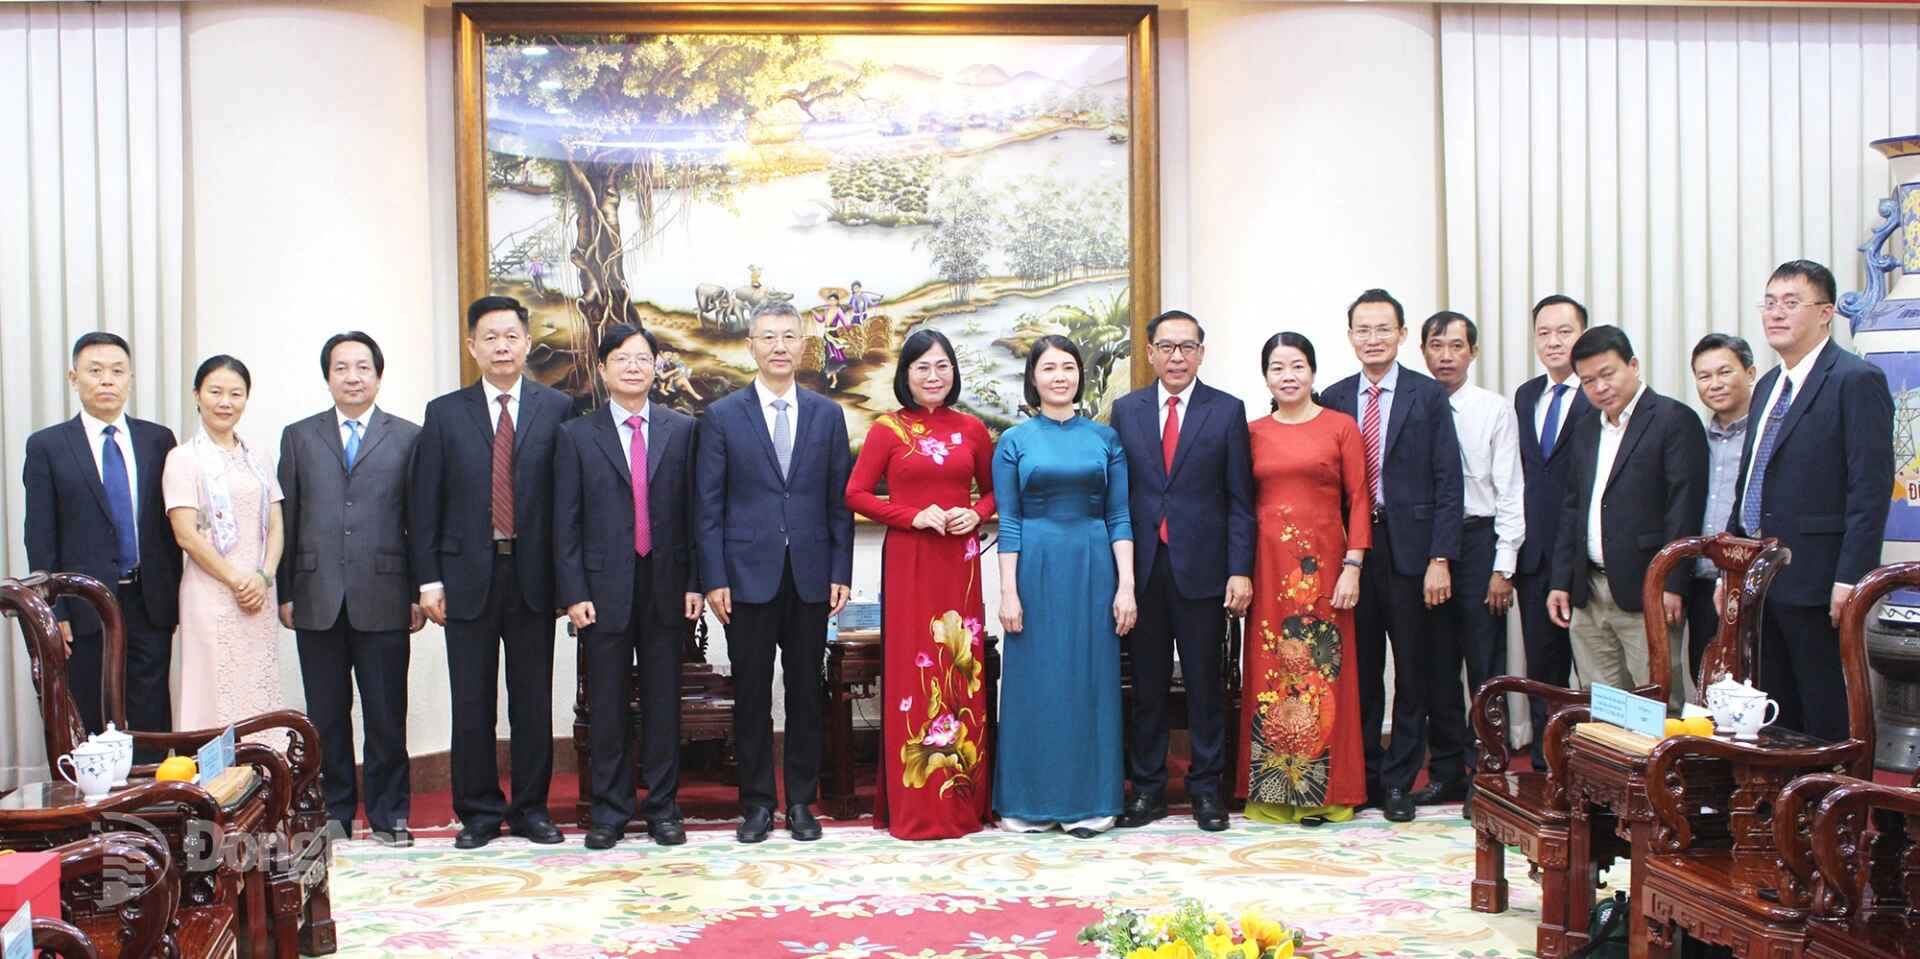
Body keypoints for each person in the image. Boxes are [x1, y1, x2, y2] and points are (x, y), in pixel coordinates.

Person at [410, 295, 573, 850]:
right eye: (490, 337)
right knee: (471, 702)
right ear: (472, 346)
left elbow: (567, 503)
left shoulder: (557, 409)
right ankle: (478, 811)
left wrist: (567, 582)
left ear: (527, 343)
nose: (502, 346)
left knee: (532, 700)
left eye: (511, 336)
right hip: (465, 579)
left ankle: (532, 809)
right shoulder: (444, 412)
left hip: (533, 578)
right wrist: (429, 581)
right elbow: (424, 504)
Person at [696, 302, 854, 844]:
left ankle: (803, 803)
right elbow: (708, 506)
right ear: (751, 346)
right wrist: (714, 577)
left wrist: (841, 569)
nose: (780, 346)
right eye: (769, 337)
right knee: (753, 693)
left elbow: (839, 502)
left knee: (807, 691)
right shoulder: (721, 416)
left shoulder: (827, 415)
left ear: (804, 346)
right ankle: (758, 804)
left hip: (811, 574)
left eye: (790, 336)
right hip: (745, 577)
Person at [1727, 260, 1895, 742]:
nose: (1776, 313)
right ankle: (1785, 811)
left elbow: (1869, 489)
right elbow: (1752, 479)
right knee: (1775, 710)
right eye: (1770, 302)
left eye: (1791, 303)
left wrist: (1850, 578)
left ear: (1825, 313)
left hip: (1820, 579)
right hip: (1761, 575)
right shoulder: (1766, 387)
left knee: (1824, 709)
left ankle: (1834, 807)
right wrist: (1733, 563)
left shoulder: (1855, 380)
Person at [555, 324, 703, 850]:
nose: (633, 367)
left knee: (665, 704)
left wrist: (696, 582)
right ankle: (610, 811)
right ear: (603, 368)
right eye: (622, 359)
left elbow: (695, 514)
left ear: (656, 366)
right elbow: (564, 522)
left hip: (667, 586)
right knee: (607, 705)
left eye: (642, 358)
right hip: (601, 589)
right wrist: (573, 592)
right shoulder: (576, 435)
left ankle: (664, 808)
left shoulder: (682, 430)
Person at [845, 328, 996, 840]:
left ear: (954, 373)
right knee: (915, 673)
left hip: (960, 561)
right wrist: (913, 516)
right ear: (905, 376)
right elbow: (857, 494)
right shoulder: (888, 429)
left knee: (961, 670)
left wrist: (972, 514)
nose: (933, 376)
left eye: (942, 366)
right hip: (910, 559)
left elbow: (996, 494)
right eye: (922, 368)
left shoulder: (973, 429)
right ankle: (914, 808)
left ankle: (960, 804)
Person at [1108, 310, 1253, 833]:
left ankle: (1206, 791)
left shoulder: (1226, 411)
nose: (1176, 357)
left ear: (1201, 353)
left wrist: (1241, 569)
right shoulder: (1126, 411)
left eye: (1186, 347)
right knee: (1145, 687)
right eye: (1166, 347)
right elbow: (1117, 496)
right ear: (1148, 353)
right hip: (1143, 571)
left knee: (1203, 685)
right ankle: (1145, 790)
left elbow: (1241, 500)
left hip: (1204, 571)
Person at [1322, 289, 1463, 824]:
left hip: (1412, 553)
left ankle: (1401, 780)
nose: (1373, 339)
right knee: (1357, 671)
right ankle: (1364, 777)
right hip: (1351, 556)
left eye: (1384, 329)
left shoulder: (1428, 396)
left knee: (1412, 672)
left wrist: (1441, 557)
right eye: (1363, 329)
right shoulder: (1333, 397)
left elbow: (1449, 481)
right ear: (1350, 335)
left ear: (1402, 335)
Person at [276, 332, 422, 846]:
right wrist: (284, 590)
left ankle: (389, 814)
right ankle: (334, 812)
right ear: (328, 376)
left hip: (384, 593)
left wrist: (417, 591)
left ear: (379, 376)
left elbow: (417, 520)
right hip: (316, 595)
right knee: (326, 716)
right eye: (342, 368)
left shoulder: (408, 435)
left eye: (363, 367)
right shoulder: (298, 436)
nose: (353, 377)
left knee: (386, 714)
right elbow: (286, 518)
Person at [994, 335, 1135, 837]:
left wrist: (1127, 587)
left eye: (1069, 367)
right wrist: (1008, 592)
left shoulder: (1105, 439)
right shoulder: (1014, 441)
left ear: (1080, 375)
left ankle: (1093, 801)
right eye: (1049, 367)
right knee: (1035, 681)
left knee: (1090, 679)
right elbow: (1007, 522)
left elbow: (1119, 516)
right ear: (1033, 377)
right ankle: (1028, 802)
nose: (1060, 376)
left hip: (1094, 564)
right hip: (1034, 566)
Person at [23, 332, 183, 757]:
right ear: (74, 378)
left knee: (151, 713)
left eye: (117, 371)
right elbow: (39, 534)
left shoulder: (158, 440)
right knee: (92, 715)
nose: (106, 380)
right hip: (83, 606)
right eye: (95, 371)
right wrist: (53, 610)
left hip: (149, 601)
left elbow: (170, 527)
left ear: (130, 378)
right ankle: (95, 816)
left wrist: (175, 595)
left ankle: (152, 807)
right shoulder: (48, 446)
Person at [1239, 332, 1369, 825]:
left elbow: (1358, 499)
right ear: (1266, 376)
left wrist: (1353, 566)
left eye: (1297, 366)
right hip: (1267, 569)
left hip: (1325, 569)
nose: (1288, 375)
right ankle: (1275, 795)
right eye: (1277, 367)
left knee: (1323, 675)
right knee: (1273, 673)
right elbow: (1239, 504)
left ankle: (1328, 794)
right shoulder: (1251, 432)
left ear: (1313, 372)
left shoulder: (1341, 427)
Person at [1547, 326, 1706, 701]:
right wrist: (1560, 580)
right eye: (1588, 381)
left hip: (1648, 587)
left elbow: (1683, 507)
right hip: (1588, 589)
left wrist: (1673, 583)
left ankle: (1664, 763)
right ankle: (1614, 764)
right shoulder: (1586, 427)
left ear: (1633, 365)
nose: (1599, 387)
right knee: (1603, 702)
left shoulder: (1672, 419)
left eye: (1607, 374)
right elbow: (1573, 506)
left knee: (1657, 699)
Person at [1419, 311, 1524, 809]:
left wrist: (1504, 566)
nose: (1445, 355)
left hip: (1481, 542)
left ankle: (1490, 772)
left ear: (1473, 353)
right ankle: (1445, 770)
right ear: (1422, 351)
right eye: (1436, 345)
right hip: (1430, 547)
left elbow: (1510, 491)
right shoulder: (1416, 405)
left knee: (1485, 666)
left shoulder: (1494, 409)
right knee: (1436, 665)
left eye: (1456, 346)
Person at [162, 356, 286, 741]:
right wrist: (236, 580)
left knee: (257, 686)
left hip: (259, 592)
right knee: (212, 690)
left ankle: (264, 778)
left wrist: (263, 577)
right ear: (197, 396)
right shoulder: (182, 458)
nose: (225, 402)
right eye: (215, 392)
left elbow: (277, 524)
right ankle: (215, 789)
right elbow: (186, 534)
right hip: (212, 593)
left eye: (236, 393)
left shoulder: (259, 457)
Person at [1511, 296, 1594, 767]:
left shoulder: (1600, 394)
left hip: (1588, 555)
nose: (1553, 341)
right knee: (1544, 665)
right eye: (1544, 333)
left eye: (1564, 331)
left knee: (1597, 667)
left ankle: (1595, 763)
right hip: (1537, 554)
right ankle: (1549, 762)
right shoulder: (1526, 396)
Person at [1686, 333, 1757, 680]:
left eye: (1724, 372)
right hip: (1700, 583)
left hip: (1751, 583)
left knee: (1752, 681)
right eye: (1704, 376)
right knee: (1704, 680)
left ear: (1750, 373)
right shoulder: (1690, 437)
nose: (1714, 384)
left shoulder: (1767, 436)